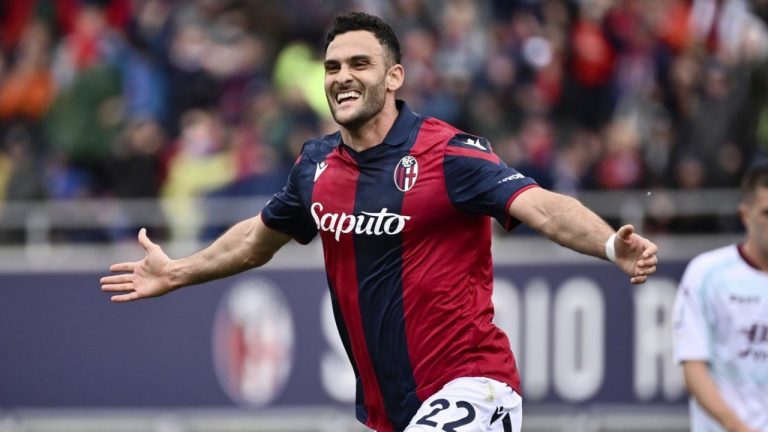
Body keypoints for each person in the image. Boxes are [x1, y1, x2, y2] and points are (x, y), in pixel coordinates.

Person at [101, 12, 659, 432]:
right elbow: (256, 238)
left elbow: (540, 205)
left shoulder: (447, 154)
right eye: (333, 68)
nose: (342, 77)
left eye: (359, 64)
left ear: (393, 77)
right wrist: (177, 272)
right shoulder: (316, 165)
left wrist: (611, 243)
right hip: (389, 413)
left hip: (475, 388)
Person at [672, 163, 768, 432]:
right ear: (744, 215)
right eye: (767, 213)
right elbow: (693, 366)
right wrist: (738, 428)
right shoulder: (707, 275)